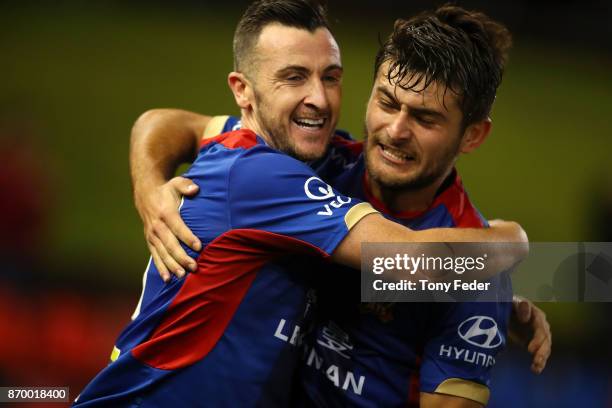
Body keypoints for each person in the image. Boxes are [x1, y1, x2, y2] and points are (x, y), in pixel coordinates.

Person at [75, 1, 530, 407]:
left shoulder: (475, 273)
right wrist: (516, 244)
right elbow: (165, 123)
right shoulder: (290, 167)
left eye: (425, 118)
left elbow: (595, 275)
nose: (395, 130)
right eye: (387, 102)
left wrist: (506, 292)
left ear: (473, 134)